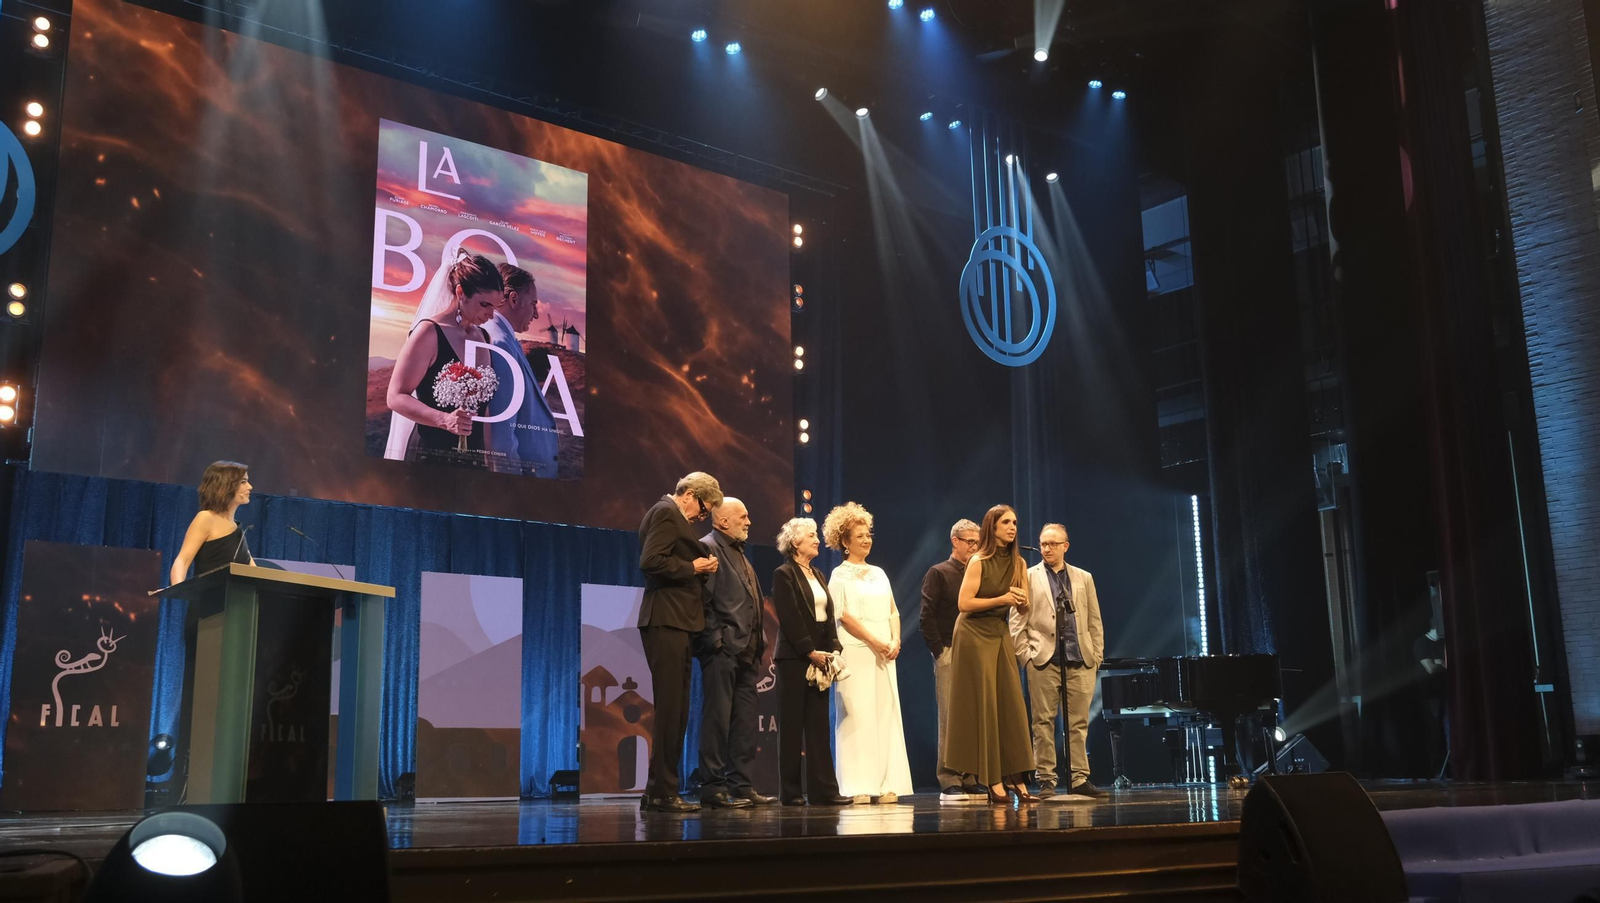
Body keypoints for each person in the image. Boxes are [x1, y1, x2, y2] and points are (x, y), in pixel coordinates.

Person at [636, 472, 724, 813]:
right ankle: (661, 792)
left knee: (678, 709)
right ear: (688, 494)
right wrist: (694, 566)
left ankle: (659, 790)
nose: (702, 517)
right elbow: (650, 561)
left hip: (678, 621)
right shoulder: (665, 512)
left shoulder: (670, 515)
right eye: (703, 510)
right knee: (671, 709)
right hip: (666, 619)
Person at [943, 504, 1037, 804]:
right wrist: (1003, 598)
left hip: (999, 631)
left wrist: (1021, 602)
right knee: (985, 703)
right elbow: (964, 603)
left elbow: (1022, 607)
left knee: (1010, 702)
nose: (1012, 527)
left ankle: (1015, 774)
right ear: (992, 527)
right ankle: (992, 778)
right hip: (972, 634)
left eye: (1014, 522)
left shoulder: (1019, 563)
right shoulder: (978, 561)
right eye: (1006, 522)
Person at [825, 502, 914, 804]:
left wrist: (896, 640)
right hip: (857, 650)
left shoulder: (879, 573)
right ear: (845, 542)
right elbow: (844, 616)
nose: (866, 540)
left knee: (884, 714)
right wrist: (876, 642)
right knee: (857, 715)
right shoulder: (839, 575)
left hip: (885, 652)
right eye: (859, 536)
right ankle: (858, 784)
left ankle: (887, 782)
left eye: (868, 534)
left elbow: (893, 611)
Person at [384, 249, 503, 464]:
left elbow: (483, 412)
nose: (491, 314)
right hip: (432, 456)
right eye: (485, 304)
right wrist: (444, 420)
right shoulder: (429, 332)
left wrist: (489, 459)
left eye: (496, 307)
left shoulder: (484, 336)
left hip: (474, 462)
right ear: (460, 293)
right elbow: (395, 397)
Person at [1012, 523, 1104, 797]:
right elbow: (1016, 622)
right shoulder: (1027, 576)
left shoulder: (1083, 577)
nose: (1047, 549)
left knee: (1078, 723)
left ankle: (1079, 778)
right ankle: (1046, 780)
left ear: (1066, 546)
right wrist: (1026, 658)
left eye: (1053, 544)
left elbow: (1094, 620)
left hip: (1080, 658)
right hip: (1043, 660)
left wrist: (1096, 654)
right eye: (1043, 544)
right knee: (1043, 722)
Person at [691, 497, 771, 808]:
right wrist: (716, 640)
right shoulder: (708, 547)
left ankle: (742, 785)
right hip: (723, 650)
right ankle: (713, 787)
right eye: (743, 516)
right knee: (717, 720)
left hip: (747, 652)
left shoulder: (739, 553)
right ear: (723, 520)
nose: (749, 521)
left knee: (745, 722)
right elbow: (702, 600)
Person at [771, 517, 852, 807]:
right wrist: (809, 651)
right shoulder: (784, 574)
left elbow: (828, 615)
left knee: (819, 726)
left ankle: (824, 791)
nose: (817, 540)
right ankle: (790, 792)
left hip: (821, 656)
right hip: (794, 658)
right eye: (811, 536)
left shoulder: (817, 573)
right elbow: (789, 616)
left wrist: (833, 647)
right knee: (792, 725)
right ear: (795, 542)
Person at [921, 518, 983, 799]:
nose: (974, 547)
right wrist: (939, 651)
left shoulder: (980, 571)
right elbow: (927, 616)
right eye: (970, 541)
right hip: (949, 649)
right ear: (955, 542)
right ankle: (949, 777)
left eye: (978, 542)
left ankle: (971, 775)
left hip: (976, 652)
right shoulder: (939, 572)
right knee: (949, 716)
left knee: (973, 716)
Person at [483, 263, 559, 476]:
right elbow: (501, 435)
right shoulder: (499, 343)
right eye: (533, 304)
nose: (536, 315)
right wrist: (514, 489)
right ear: (514, 299)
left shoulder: (505, 339)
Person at [169, 461, 255, 585]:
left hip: (236, 602)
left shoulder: (238, 528)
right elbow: (183, 560)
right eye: (243, 482)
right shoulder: (206, 518)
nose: (250, 487)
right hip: (208, 601)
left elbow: (254, 572)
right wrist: (178, 591)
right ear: (225, 485)